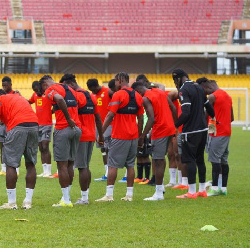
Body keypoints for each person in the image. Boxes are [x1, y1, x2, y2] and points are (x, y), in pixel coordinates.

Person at [0, 89, 38, 209]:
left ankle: (12, 203)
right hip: (34, 125)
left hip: (17, 126)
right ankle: (27, 202)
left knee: (10, 165)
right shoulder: (18, 97)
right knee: (30, 164)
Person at [95, 72, 144, 203]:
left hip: (119, 135)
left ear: (119, 81)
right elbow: (140, 118)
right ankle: (129, 195)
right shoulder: (138, 96)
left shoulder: (118, 94)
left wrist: (101, 133)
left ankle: (109, 195)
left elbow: (110, 115)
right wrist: (139, 136)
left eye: (115, 82)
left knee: (112, 165)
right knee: (130, 166)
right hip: (133, 136)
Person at [40, 75, 85, 207]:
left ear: (44, 85)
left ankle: (66, 200)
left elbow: (59, 99)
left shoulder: (51, 89)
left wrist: (67, 118)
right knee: (70, 163)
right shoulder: (70, 88)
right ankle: (66, 197)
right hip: (76, 129)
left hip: (64, 128)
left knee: (62, 165)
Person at [172, 69, 215, 199]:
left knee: (190, 160)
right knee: (200, 159)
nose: (175, 83)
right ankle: (202, 190)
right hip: (203, 130)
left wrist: (174, 126)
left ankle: (191, 192)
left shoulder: (184, 90)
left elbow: (186, 112)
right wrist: (212, 120)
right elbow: (209, 108)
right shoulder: (199, 87)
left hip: (191, 131)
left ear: (178, 79)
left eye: (175, 80)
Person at [63, 74, 104, 205]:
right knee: (85, 166)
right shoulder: (91, 96)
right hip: (91, 134)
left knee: (81, 167)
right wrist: (101, 135)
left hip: (80, 135)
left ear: (71, 84)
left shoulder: (76, 96)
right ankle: (85, 196)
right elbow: (97, 118)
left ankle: (83, 198)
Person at [133, 81, 177, 201]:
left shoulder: (146, 98)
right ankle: (161, 187)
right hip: (169, 129)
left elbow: (151, 118)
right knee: (161, 158)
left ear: (138, 92)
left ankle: (158, 193)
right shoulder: (160, 92)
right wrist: (174, 125)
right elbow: (173, 108)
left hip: (160, 130)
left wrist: (141, 136)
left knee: (158, 160)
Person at [197, 77, 232, 196]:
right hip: (226, 131)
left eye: (205, 90)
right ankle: (223, 188)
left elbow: (206, 115)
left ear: (209, 86)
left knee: (214, 160)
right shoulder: (227, 96)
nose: (206, 92)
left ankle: (215, 187)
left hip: (217, 132)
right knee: (223, 160)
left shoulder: (213, 97)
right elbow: (231, 117)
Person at [0, 76, 20, 176]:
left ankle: (16, 169)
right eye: (3, 85)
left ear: (10, 84)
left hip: (12, 124)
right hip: (2, 125)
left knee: (14, 146)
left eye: (6, 85)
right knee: (2, 146)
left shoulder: (16, 94)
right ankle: (3, 169)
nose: (4, 87)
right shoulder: (1, 95)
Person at [28, 80, 54, 178]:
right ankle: (44, 171)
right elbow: (28, 102)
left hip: (47, 124)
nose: (36, 92)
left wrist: (50, 112)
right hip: (37, 124)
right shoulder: (34, 95)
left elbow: (56, 104)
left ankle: (49, 171)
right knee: (40, 147)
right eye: (34, 90)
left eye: (37, 89)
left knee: (45, 146)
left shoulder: (48, 94)